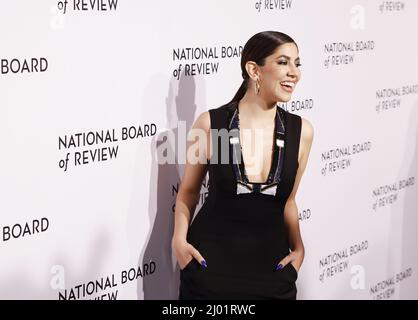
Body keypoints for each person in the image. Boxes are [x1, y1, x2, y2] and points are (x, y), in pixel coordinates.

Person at [172, 31, 314, 299]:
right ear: (254, 69)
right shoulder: (213, 126)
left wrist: (299, 249)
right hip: (209, 276)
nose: (294, 72)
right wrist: (179, 241)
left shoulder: (301, 131)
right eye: (283, 62)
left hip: (273, 275)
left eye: (297, 63)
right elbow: (188, 193)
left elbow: (289, 201)